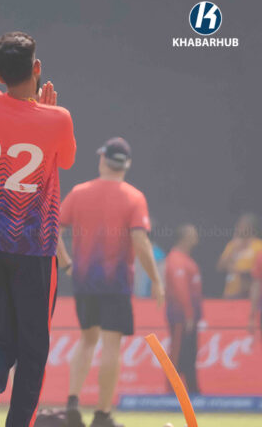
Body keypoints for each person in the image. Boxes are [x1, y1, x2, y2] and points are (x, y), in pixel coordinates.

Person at [0, 31, 75, 427]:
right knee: (33, 350)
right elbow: (66, 159)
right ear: (37, 68)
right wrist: (45, 111)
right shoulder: (57, 117)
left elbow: (11, 110)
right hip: (33, 248)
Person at [58, 137, 164, 427]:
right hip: (116, 284)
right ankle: (102, 415)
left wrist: (66, 264)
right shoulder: (134, 197)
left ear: (103, 159)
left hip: (83, 281)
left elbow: (52, 229)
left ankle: (72, 403)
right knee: (111, 345)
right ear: (126, 165)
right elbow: (140, 241)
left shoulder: (79, 192)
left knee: (86, 339)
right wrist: (156, 279)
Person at [164, 224, 202, 394]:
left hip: (189, 316)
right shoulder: (176, 260)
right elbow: (181, 290)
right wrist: (188, 315)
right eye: (193, 235)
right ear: (185, 238)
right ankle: (171, 391)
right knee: (178, 353)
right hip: (180, 317)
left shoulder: (186, 260)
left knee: (189, 353)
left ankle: (193, 389)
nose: (196, 238)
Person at [217, 213, 262, 299]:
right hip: (230, 293)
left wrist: (241, 271)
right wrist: (233, 249)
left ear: (251, 227)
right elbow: (220, 267)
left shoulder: (259, 246)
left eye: (242, 226)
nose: (238, 228)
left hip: (249, 294)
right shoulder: (232, 244)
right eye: (238, 226)